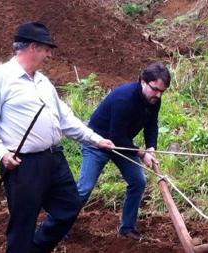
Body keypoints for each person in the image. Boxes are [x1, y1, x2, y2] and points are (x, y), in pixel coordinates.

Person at [0, 21, 114, 253]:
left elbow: (65, 118)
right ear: (32, 47)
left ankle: (36, 249)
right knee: (23, 224)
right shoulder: (0, 77)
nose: (49, 54)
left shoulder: (43, 82)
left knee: (69, 206)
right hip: (23, 165)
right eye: (46, 48)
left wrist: (95, 139)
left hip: (53, 160)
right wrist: (2, 153)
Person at [76, 62, 170, 240]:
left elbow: (151, 124)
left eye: (162, 91)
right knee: (84, 189)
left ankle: (127, 229)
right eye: (155, 89)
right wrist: (141, 153)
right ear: (143, 81)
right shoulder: (124, 99)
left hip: (121, 143)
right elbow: (116, 135)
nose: (158, 95)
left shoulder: (153, 100)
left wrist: (151, 147)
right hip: (98, 142)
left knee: (138, 181)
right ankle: (57, 226)